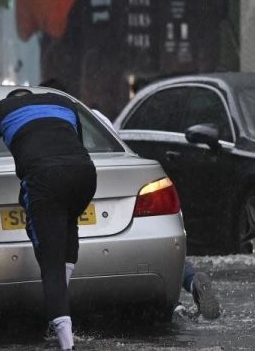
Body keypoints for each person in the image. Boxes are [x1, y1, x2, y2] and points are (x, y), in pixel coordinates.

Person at [38, 78, 222, 320]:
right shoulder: (93, 117)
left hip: (59, 197)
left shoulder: (36, 126)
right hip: (107, 187)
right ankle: (183, 290)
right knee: (145, 255)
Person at [0, 88, 96, 350]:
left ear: (11, 101)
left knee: (51, 262)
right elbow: (76, 143)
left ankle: (66, 344)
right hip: (85, 174)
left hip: (44, 179)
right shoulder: (63, 101)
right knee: (68, 228)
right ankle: (59, 311)